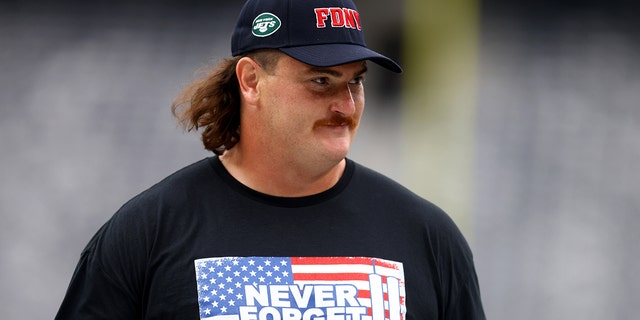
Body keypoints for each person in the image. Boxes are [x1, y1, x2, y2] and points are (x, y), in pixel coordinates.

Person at [55, 0, 485, 319]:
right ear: (251, 81)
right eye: (321, 81)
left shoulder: (427, 237)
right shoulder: (147, 233)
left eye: (355, 82)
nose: (346, 106)